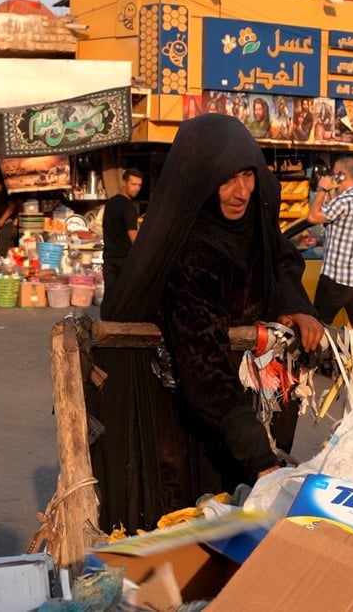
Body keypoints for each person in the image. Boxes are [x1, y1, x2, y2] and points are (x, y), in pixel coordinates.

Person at [90, 114, 323, 532]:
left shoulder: (256, 218)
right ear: (201, 180)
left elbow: (282, 260)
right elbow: (204, 364)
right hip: (183, 416)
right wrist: (261, 459)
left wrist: (296, 306)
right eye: (227, 179)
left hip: (244, 411)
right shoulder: (189, 253)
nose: (241, 192)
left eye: (247, 176)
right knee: (193, 527)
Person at [307, 156, 353, 329]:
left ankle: (319, 356)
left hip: (337, 278)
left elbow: (312, 216)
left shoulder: (345, 201)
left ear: (341, 176)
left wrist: (322, 189)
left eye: (333, 174)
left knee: (319, 326)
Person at [100, 168, 143, 297]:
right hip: (124, 261)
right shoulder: (129, 208)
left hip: (109, 259)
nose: (137, 188)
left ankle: (106, 317)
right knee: (125, 300)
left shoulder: (110, 203)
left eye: (139, 185)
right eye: (133, 184)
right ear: (124, 183)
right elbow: (133, 237)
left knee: (110, 297)